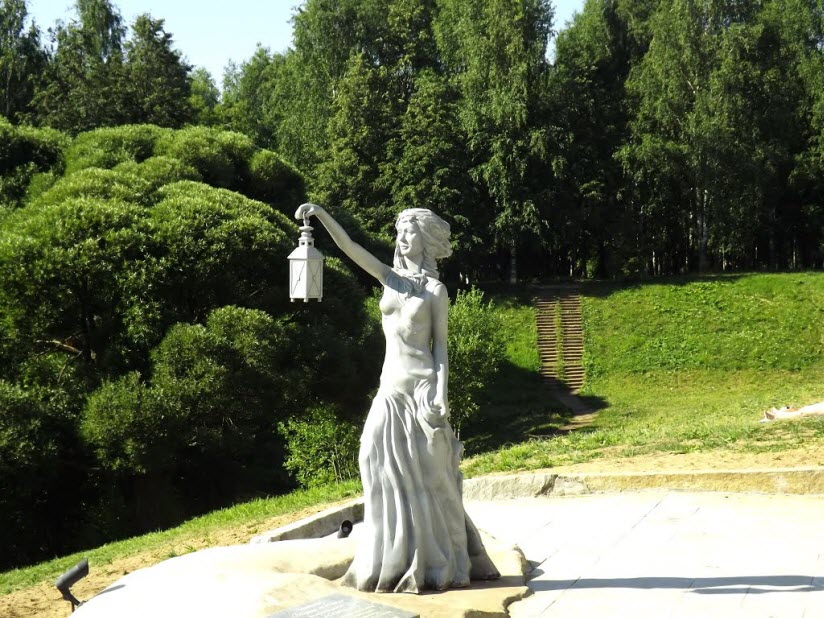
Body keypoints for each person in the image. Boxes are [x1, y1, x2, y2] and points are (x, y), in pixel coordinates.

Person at [294, 203, 500, 593]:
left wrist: (441, 392)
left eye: (409, 232)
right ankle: (388, 555)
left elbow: (440, 349)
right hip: (390, 389)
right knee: (369, 456)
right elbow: (350, 248)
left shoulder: (435, 291)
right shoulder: (388, 278)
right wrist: (320, 215)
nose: (402, 239)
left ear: (425, 240)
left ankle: (448, 560)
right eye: (399, 232)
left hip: (420, 390)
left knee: (434, 479)